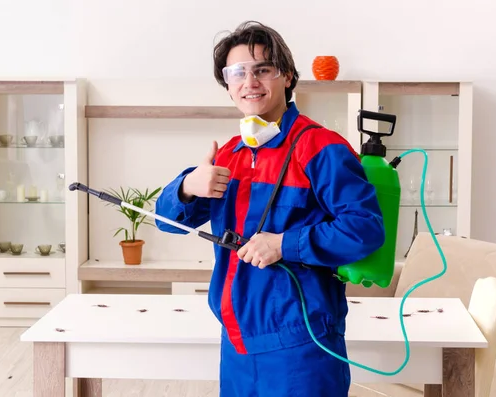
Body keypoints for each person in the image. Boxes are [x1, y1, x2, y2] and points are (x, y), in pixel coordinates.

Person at [155, 20, 385, 397]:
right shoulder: (228, 154)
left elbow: (365, 228)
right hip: (236, 342)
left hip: (302, 345)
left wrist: (283, 244)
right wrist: (186, 186)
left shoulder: (321, 148)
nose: (251, 81)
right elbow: (167, 222)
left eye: (263, 69)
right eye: (238, 72)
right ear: (228, 85)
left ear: (288, 77)